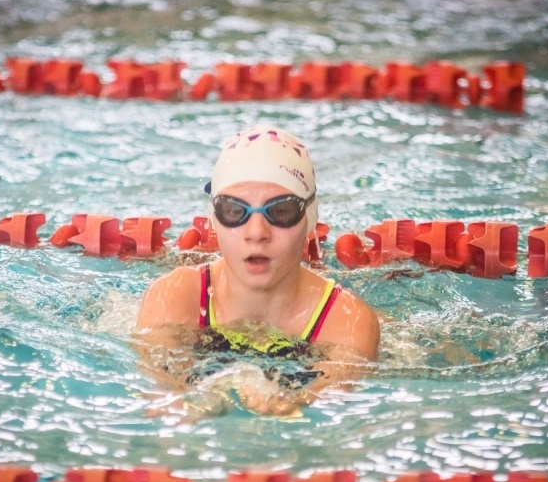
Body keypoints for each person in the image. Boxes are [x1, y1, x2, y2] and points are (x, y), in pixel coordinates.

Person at [135, 125, 380, 415]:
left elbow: (322, 409)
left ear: (310, 217)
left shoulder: (346, 323)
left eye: (281, 211)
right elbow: (163, 398)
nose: (256, 233)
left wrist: (287, 403)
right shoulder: (175, 296)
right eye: (234, 211)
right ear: (213, 218)